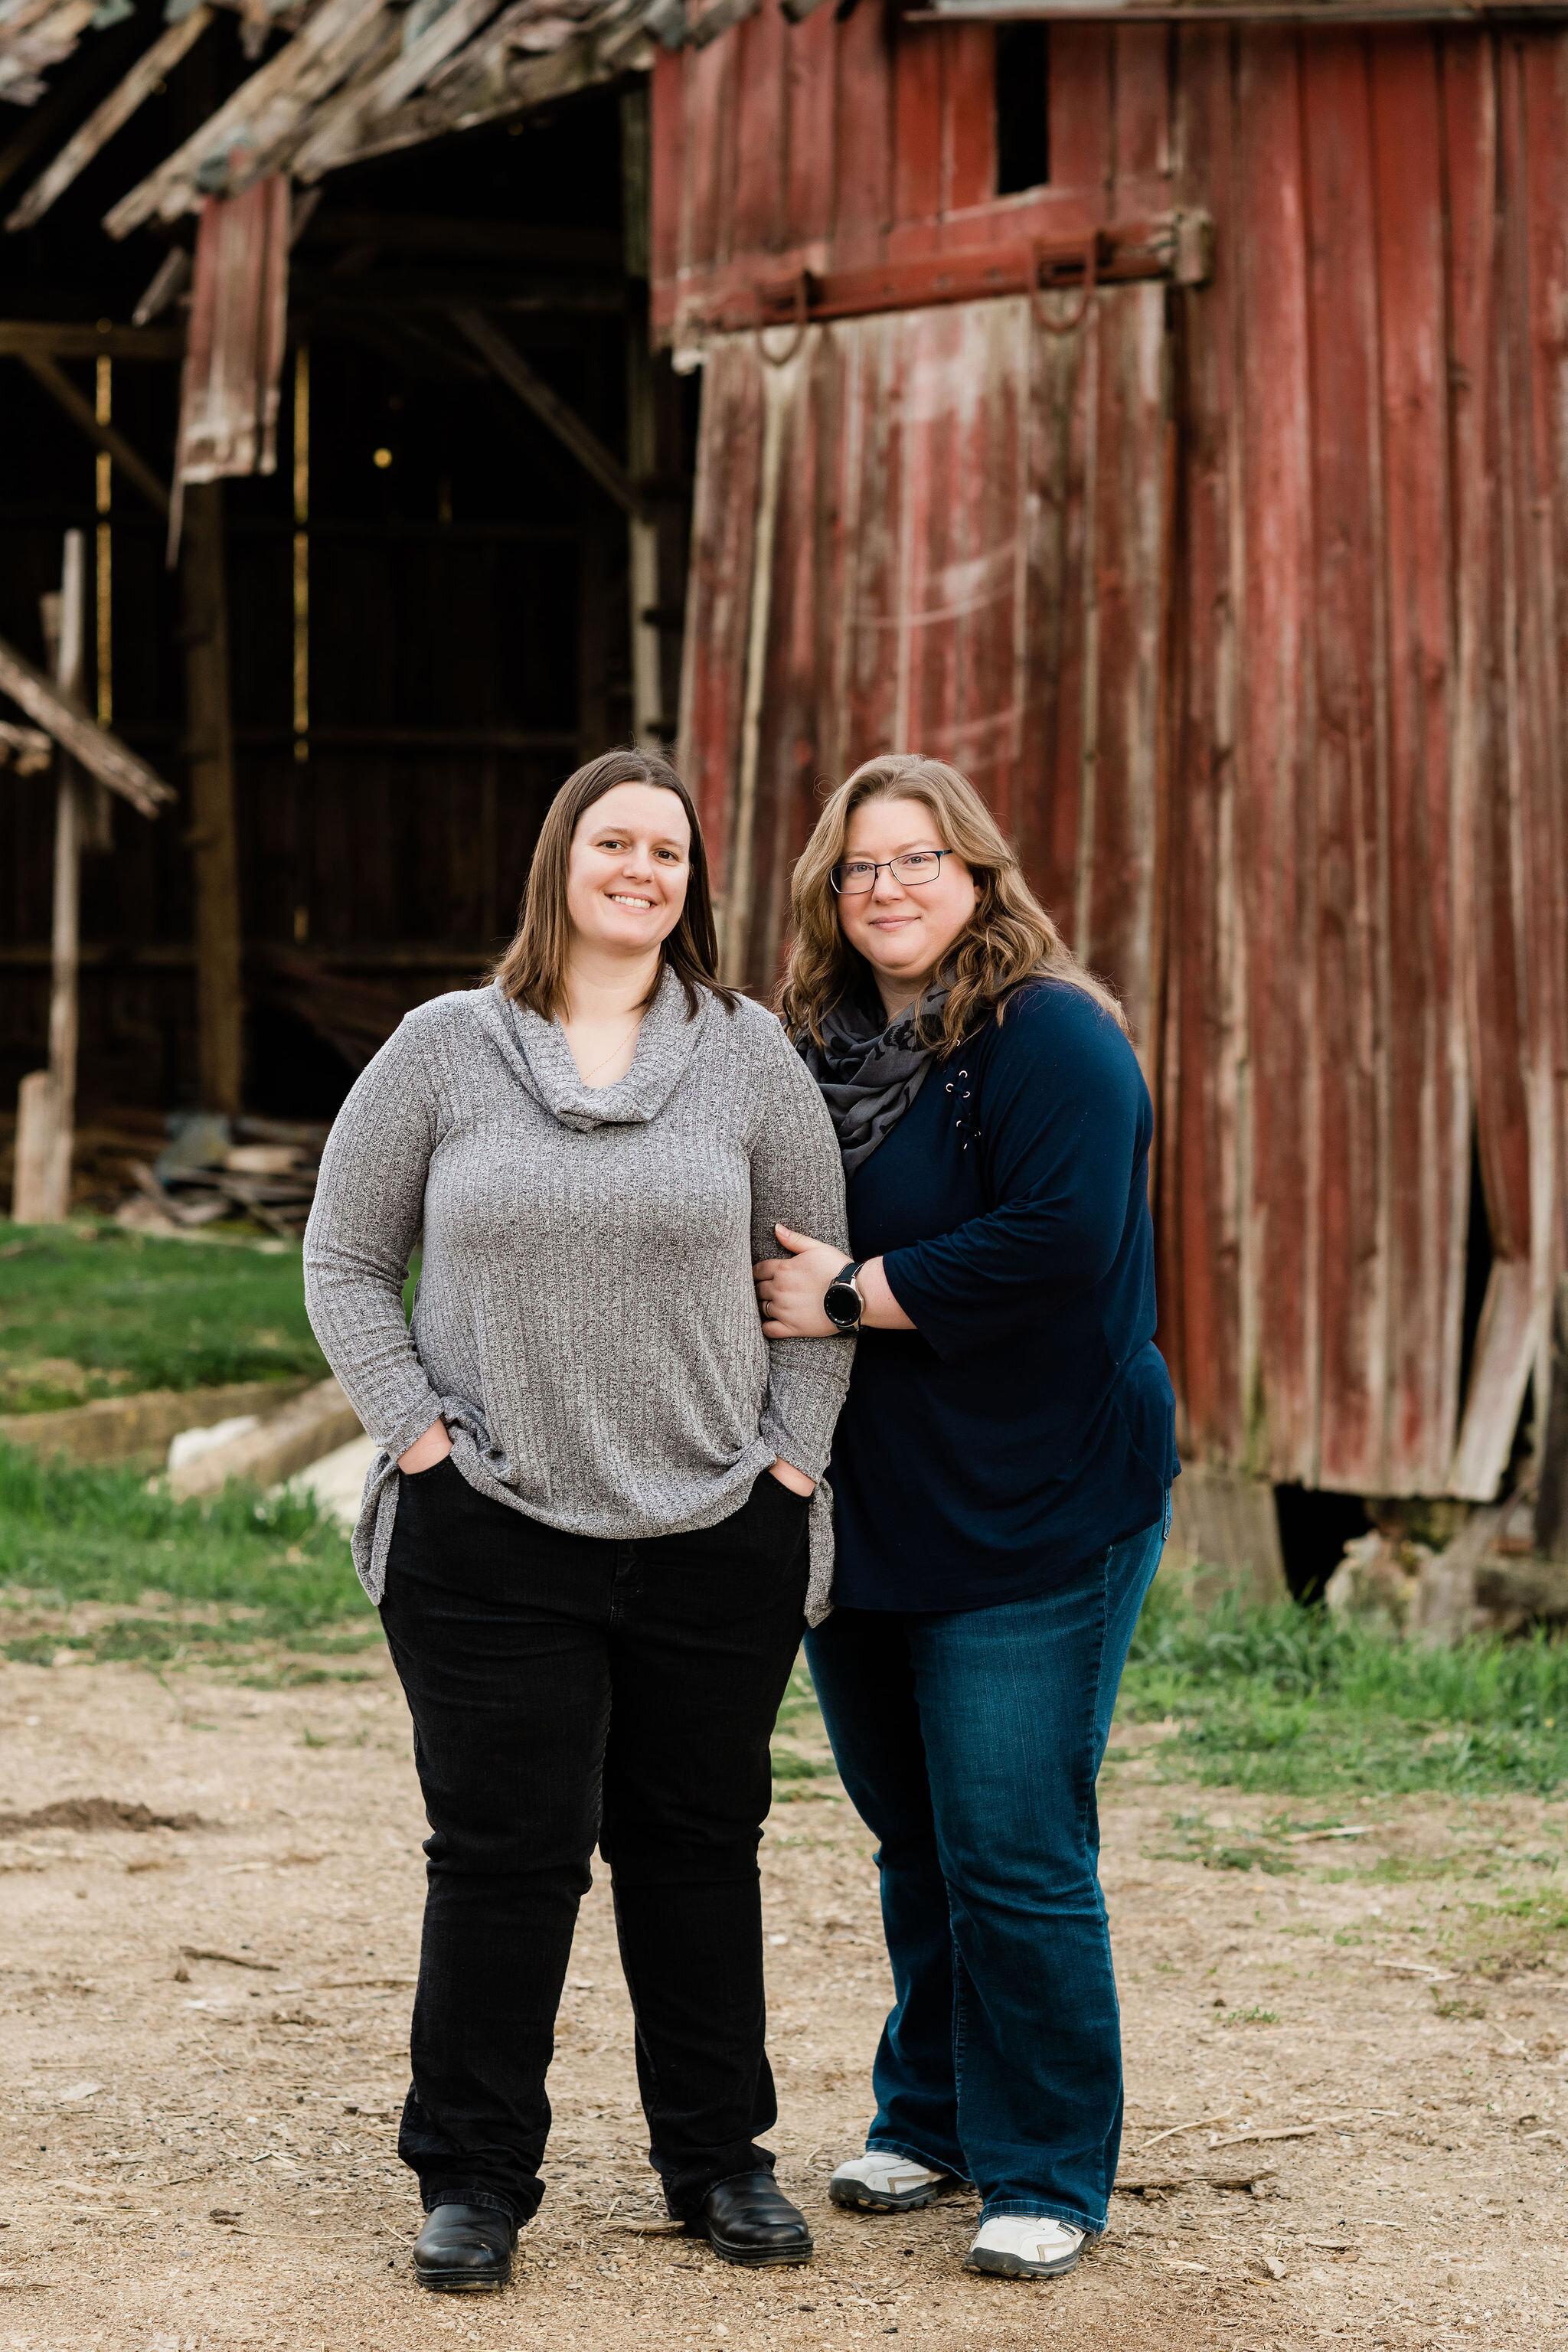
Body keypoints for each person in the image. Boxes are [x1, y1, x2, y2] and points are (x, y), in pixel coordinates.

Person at [304, 748, 853, 2293]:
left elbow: (820, 1285)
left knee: (694, 1850)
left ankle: (716, 2162)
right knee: (503, 1855)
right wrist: (413, 1433)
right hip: (487, 1528)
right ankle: (473, 2179)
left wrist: (789, 1472)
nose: (640, 870)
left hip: (712, 1527)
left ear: (693, 884)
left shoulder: (751, 1060)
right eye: (612, 841)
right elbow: (345, 1259)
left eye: (668, 853)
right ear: (560, 862)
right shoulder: (442, 1050)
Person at [753, 753, 1178, 2282]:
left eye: (919, 860)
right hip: (867, 1504)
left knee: (1011, 1844)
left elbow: (1066, 1240)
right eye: (861, 869)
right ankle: (927, 2116)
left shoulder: (1048, 1034)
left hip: (1037, 1492)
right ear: (828, 893)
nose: (889, 889)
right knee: (913, 1838)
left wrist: (857, 1296)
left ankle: (1047, 2168)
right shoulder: (806, 1049)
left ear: (977, 876)